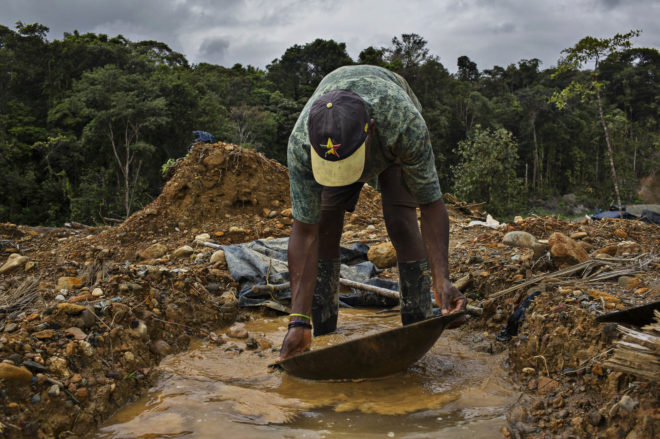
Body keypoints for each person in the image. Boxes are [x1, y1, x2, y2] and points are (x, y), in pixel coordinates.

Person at [279, 65, 466, 360]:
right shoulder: (302, 143)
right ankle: (321, 331)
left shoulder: (403, 123)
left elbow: (430, 205)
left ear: (372, 130)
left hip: (391, 145)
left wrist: (441, 280)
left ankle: (416, 326)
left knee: (402, 222)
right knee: (326, 223)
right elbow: (305, 232)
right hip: (343, 140)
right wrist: (297, 320)